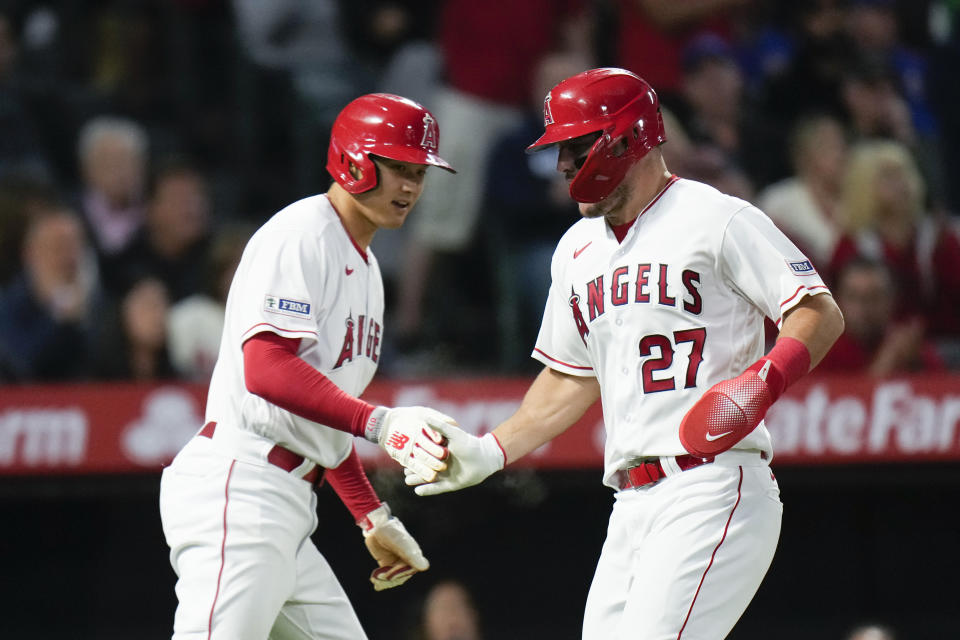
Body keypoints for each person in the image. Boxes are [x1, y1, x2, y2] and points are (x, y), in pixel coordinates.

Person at [408, 68, 845, 639]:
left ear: (628, 137)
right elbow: (569, 377)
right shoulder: (577, 248)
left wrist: (766, 378)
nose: (563, 164)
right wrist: (491, 450)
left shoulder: (717, 217)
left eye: (575, 146)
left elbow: (817, 310)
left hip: (712, 484)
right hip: (631, 502)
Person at [159, 93, 458, 640]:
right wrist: (381, 423)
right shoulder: (301, 233)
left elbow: (320, 416)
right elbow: (266, 368)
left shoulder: (367, 269)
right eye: (397, 168)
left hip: (288, 504)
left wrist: (372, 515)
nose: (412, 187)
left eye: (419, 172)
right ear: (355, 160)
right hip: (242, 485)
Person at [817, 257, 945, 375]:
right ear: (837, 301)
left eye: (874, 296)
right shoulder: (820, 350)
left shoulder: (911, 348)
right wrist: (886, 363)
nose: (864, 306)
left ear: (893, 299)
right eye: (853, 297)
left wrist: (916, 364)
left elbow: (944, 391)